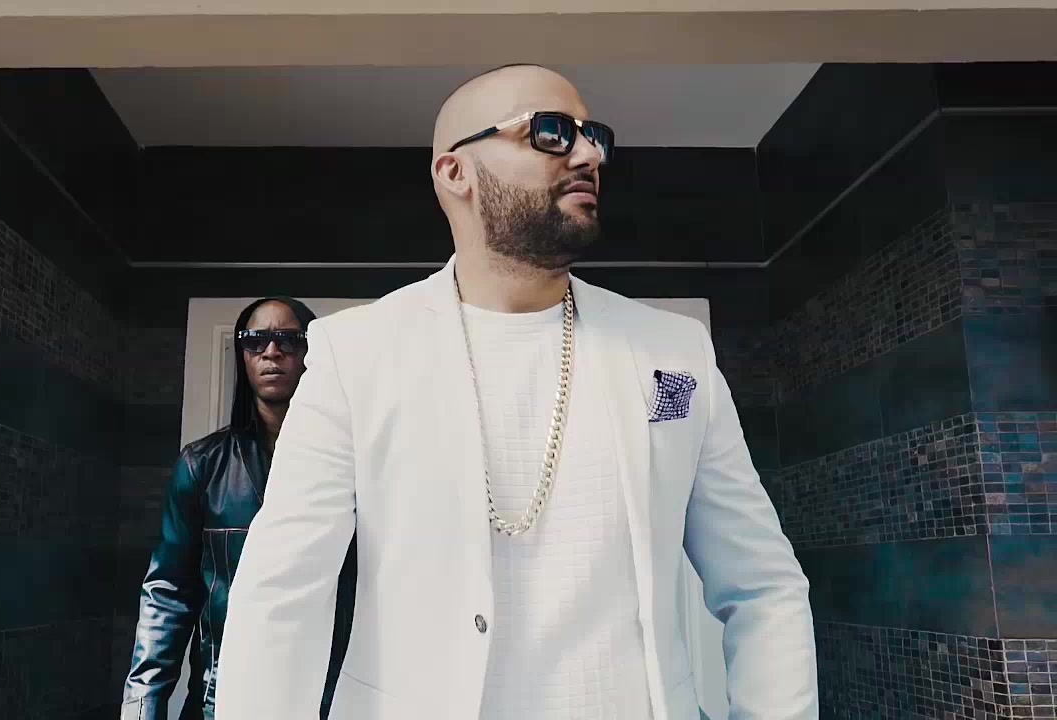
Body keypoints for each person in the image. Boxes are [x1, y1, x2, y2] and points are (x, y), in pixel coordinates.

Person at [214, 65, 817, 720]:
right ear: (456, 172)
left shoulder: (673, 352)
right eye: (551, 132)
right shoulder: (355, 353)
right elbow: (282, 597)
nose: (588, 155)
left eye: (593, 136)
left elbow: (762, 586)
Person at [121, 296, 356, 720]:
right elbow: (168, 591)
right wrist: (143, 705)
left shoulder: (355, 467)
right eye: (255, 340)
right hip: (223, 695)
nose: (272, 351)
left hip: (327, 696)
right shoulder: (202, 465)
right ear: (242, 355)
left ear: (312, 354)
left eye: (289, 339)